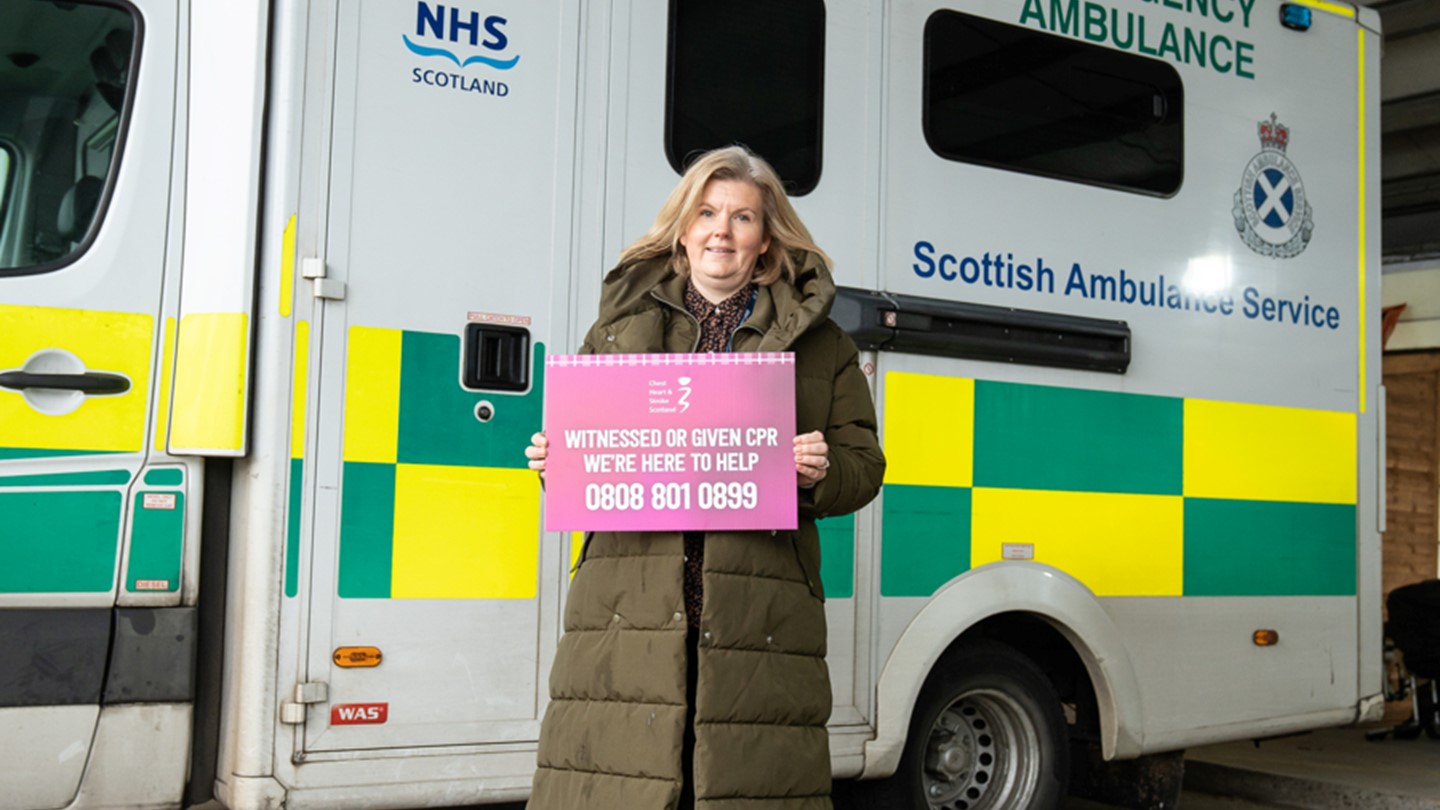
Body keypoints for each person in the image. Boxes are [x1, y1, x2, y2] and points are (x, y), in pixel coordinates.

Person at [524, 145, 885, 810]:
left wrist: (819, 471)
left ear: (766, 241)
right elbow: (591, 462)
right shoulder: (617, 331)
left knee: (740, 784)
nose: (722, 230)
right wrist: (556, 462)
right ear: (683, 230)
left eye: (742, 217)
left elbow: (863, 467)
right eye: (708, 213)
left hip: (759, 615)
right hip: (628, 610)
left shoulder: (825, 346)